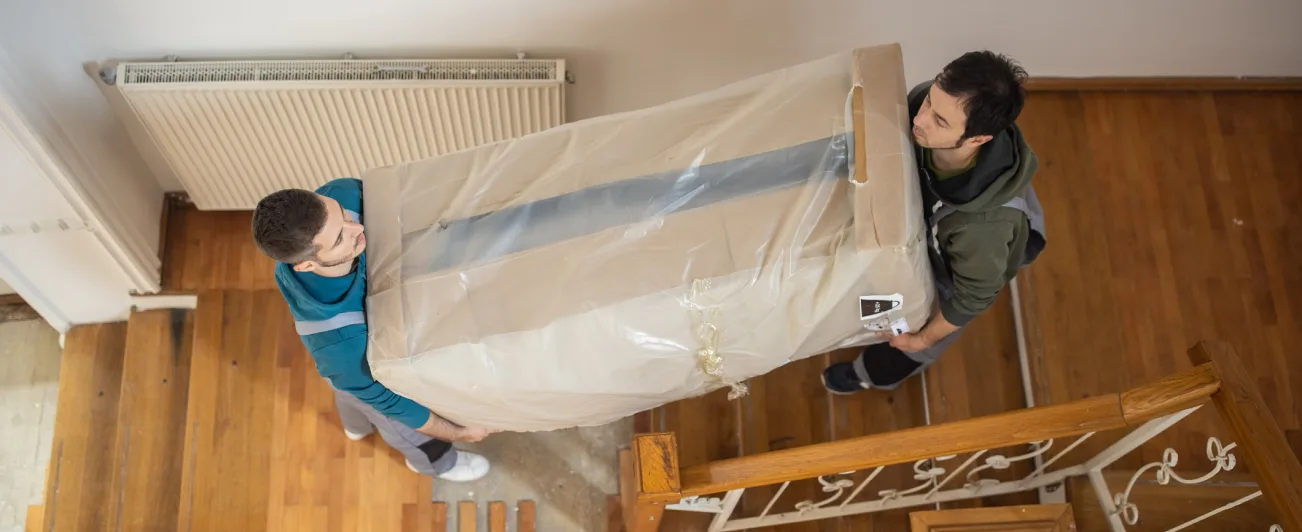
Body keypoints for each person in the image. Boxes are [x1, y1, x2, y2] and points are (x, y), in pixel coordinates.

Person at [823, 51, 1046, 394]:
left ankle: (866, 375)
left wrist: (922, 338)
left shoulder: (982, 229)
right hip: (928, 227)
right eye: (929, 101)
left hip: (956, 273)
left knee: (907, 344)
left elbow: (974, 297)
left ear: (978, 139)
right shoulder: (927, 107)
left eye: (940, 121)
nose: (921, 119)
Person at [253, 178, 491, 482]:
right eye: (340, 238)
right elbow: (393, 403)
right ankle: (434, 464)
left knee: (345, 389)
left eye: (344, 215)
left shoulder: (343, 194)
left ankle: (355, 425)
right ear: (308, 266)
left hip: (347, 376)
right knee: (403, 428)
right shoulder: (340, 344)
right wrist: (460, 432)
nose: (358, 228)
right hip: (357, 373)